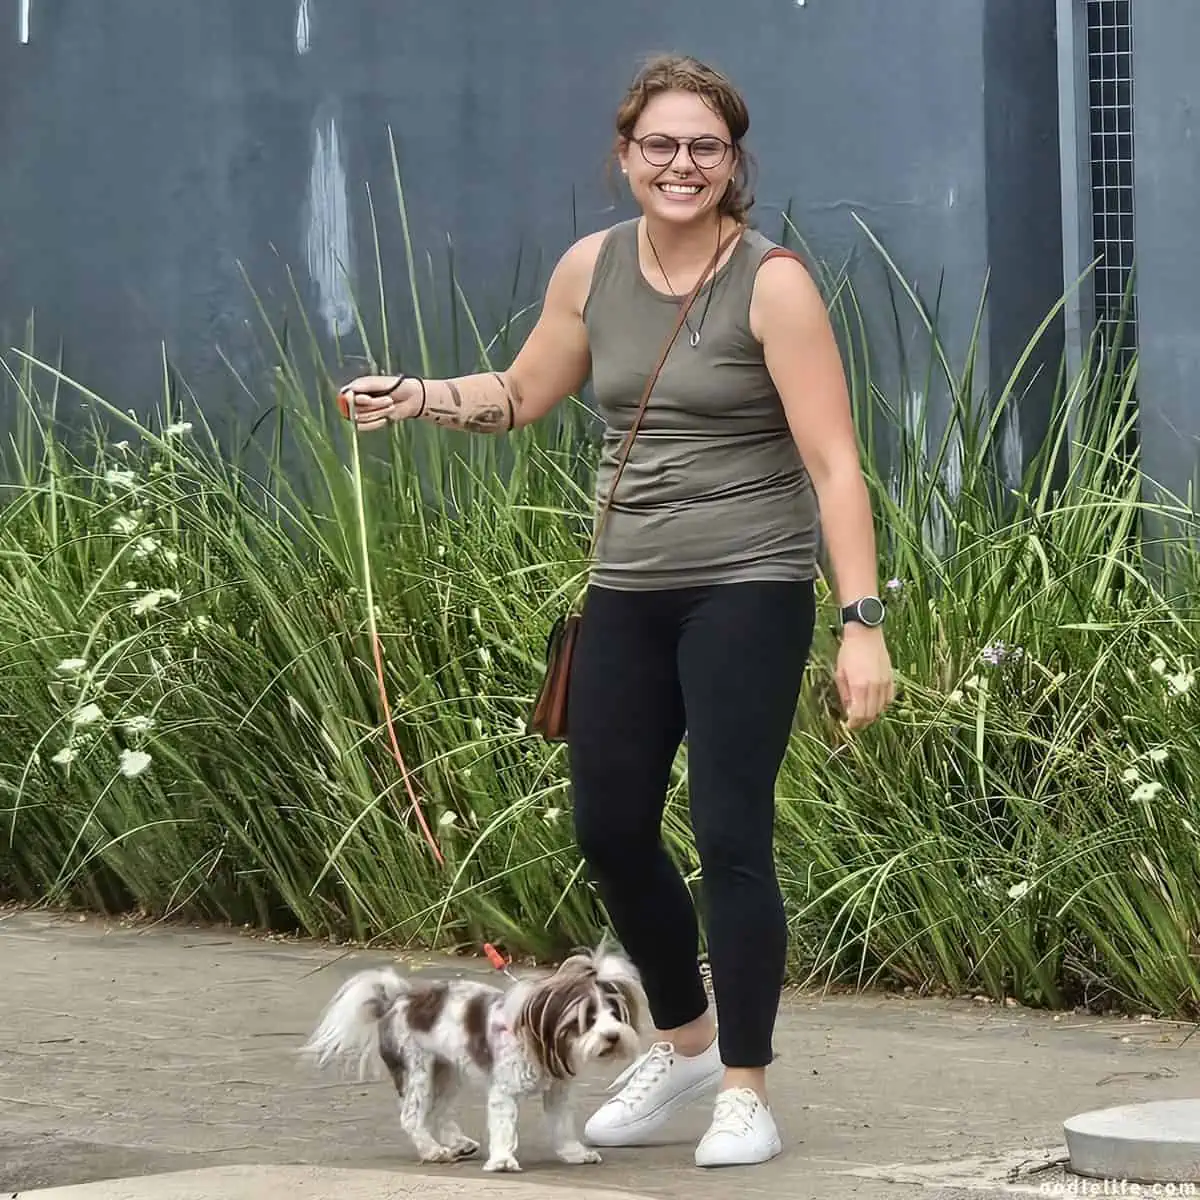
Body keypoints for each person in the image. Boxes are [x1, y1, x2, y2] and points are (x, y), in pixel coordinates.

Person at [339, 53, 894, 1169]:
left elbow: (835, 464)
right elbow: (522, 393)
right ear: (626, 155)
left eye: (705, 147)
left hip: (749, 584)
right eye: (660, 146)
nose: (681, 165)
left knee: (732, 835)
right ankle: (683, 1042)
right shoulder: (591, 267)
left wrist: (861, 619)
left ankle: (745, 1086)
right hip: (627, 589)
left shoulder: (772, 281)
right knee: (610, 829)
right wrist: (420, 397)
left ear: (733, 161)